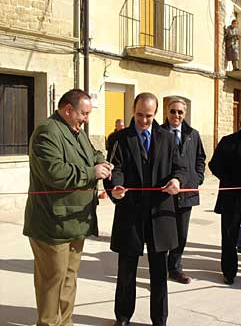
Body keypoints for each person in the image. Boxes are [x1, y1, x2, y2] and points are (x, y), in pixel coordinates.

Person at [23, 89, 113, 326]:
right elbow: (56, 173)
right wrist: (91, 172)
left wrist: (101, 161)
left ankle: (65, 322)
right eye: (83, 114)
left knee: (69, 278)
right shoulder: (47, 133)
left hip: (75, 222)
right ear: (68, 110)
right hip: (52, 224)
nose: (86, 119)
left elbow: (92, 153)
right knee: (51, 283)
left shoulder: (76, 131)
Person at [104, 92, 187, 326]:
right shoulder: (121, 138)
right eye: (139, 115)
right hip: (130, 214)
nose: (143, 121)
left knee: (159, 273)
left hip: (160, 216)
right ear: (133, 110)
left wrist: (177, 181)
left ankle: (159, 319)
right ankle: (122, 317)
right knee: (126, 272)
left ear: (156, 113)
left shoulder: (168, 138)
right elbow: (115, 168)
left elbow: (180, 168)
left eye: (148, 116)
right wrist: (115, 186)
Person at [162, 97, 206, 284]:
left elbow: (200, 158)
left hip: (187, 193)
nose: (176, 115)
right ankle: (160, 268)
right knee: (164, 233)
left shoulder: (192, 134)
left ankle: (175, 268)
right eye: (173, 111)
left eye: (180, 112)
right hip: (165, 193)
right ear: (167, 112)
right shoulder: (159, 132)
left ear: (185, 113)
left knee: (181, 234)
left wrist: (197, 178)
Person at [208, 111, 241, 285]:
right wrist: (232, 180)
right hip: (232, 197)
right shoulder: (228, 141)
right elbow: (214, 165)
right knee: (230, 235)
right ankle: (229, 272)